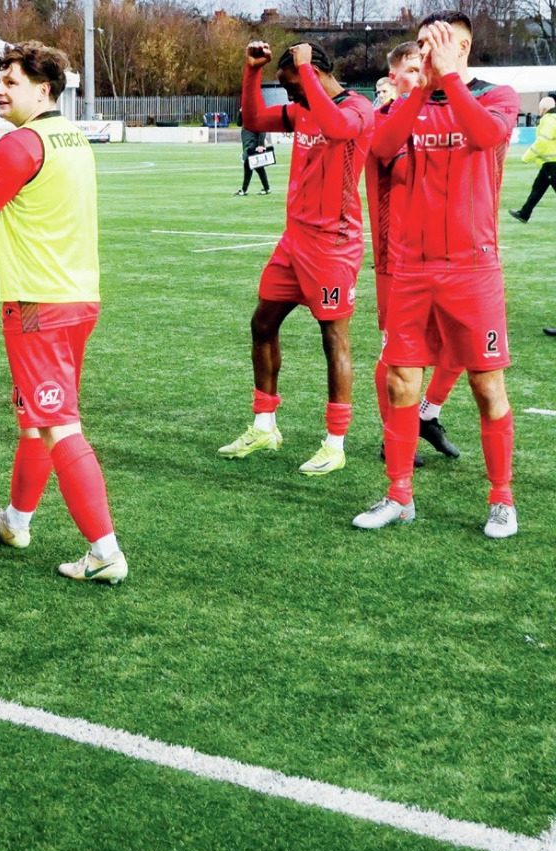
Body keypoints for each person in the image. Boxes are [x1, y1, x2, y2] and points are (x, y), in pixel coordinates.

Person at [0, 41, 127, 584]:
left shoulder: (22, 143)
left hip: (37, 304)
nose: (0, 89)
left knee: (56, 425)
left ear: (42, 88)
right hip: (76, 296)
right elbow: (26, 191)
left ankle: (105, 551)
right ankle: (16, 521)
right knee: (34, 419)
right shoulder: (68, 136)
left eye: (12, 80)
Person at [354, 12, 521, 537]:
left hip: (472, 269)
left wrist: (448, 78)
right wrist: (423, 90)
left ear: (463, 46)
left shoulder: (498, 95)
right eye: (420, 45)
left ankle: (502, 500)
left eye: (435, 43)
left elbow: (485, 136)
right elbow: (380, 149)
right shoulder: (410, 103)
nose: (423, 53)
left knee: (487, 385)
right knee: (403, 380)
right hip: (411, 269)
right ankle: (399, 494)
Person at [219, 41, 374, 477]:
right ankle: (264, 425)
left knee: (333, 339)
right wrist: (252, 72)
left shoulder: (359, 109)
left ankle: (335, 442)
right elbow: (252, 120)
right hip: (294, 242)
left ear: (316, 73)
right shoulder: (303, 106)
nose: (289, 98)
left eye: (293, 87)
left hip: (333, 246)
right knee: (262, 323)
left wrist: (305, 75)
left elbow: (338, 127)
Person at [367, 43, 463, 465]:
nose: (417, 74)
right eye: (408, 69)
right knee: (396, 354)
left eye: (420, 67)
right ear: (392, 80)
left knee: (461, 346)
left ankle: (428, 414)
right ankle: (394, 435)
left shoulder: (440, 116)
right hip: (397, 258)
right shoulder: (384, 121)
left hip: (448, 255)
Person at [510, 95, 556, 224]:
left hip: (552, 163)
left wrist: (527, 156)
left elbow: (542, 142)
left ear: (544, 109)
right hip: (549, 164)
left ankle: (525, 213)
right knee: (537, 188)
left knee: (538, 189)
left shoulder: (548, 120)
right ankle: (524, 213)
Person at [237, 119, 270, 195]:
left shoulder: (255, 115)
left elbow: (262, 129)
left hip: (253, 145)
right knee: (258, 168)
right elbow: (239, 123)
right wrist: (241, 111)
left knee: (249, 165)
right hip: (247, 145)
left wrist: (260, 145)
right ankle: (266, 188)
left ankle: (244, 190)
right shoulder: (246, 114)